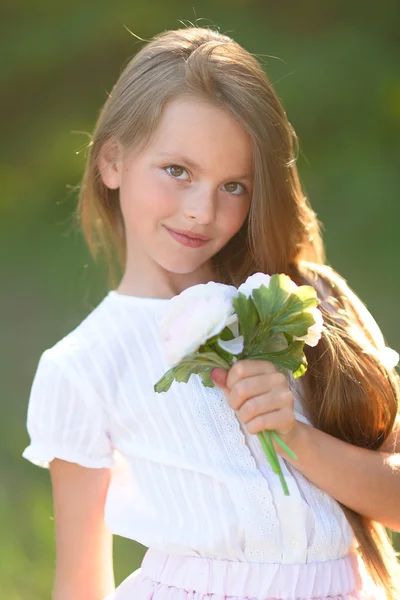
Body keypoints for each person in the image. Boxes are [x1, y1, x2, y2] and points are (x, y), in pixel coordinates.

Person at [22, 25, 400, 600]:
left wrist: (293, 435)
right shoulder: (83, 364)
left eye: (234, 186)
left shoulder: (305, 303)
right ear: (112, 163)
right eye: (178, 171)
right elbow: (80, 584)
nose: (202, 211)